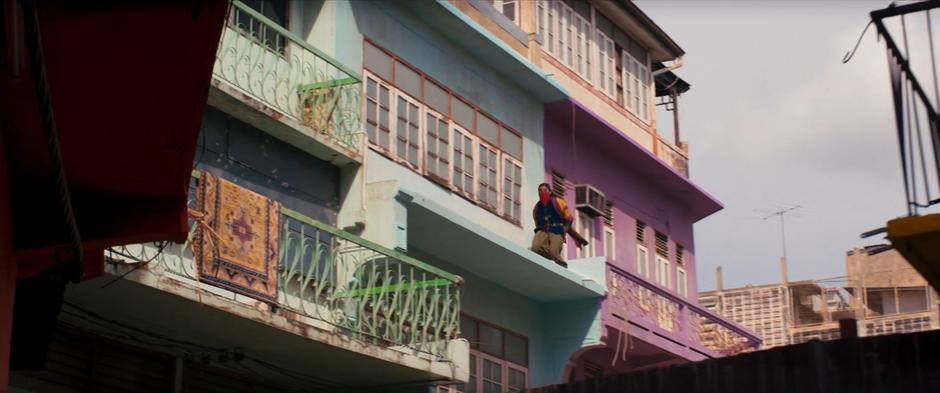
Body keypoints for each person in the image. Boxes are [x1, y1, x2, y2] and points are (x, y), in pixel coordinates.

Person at [531, 183, 573, 267]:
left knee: (554, 251)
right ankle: (545, 260)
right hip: (542, 229)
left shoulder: (558, 202)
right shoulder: (537, 207)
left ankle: (562, 265)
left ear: (550, 192)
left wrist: (564, 232)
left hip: (556, 229)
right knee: (535, 248)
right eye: (540, 190)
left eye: (545, 190)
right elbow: (536, 221)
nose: (542, 192)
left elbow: (569, 218)